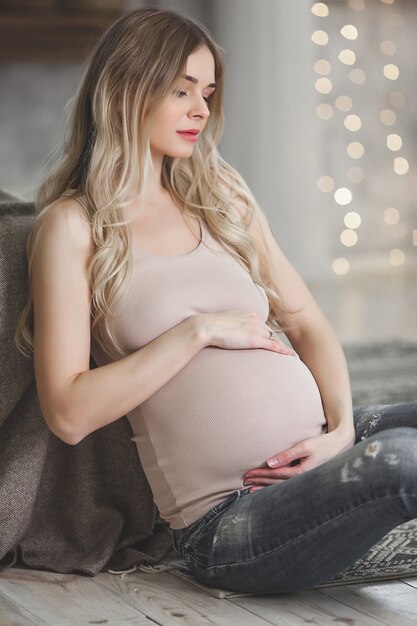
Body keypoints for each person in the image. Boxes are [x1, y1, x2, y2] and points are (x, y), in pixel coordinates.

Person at [15, 8, 417, 594]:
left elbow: (307, 325)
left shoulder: (220, 196)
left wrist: (339, 433)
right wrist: (195, 332)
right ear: (127, 90)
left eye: (206, 92)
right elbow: (69, 412)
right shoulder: (74, 226)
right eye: (181, 91)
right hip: (235, 523)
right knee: (403, 460)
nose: (201, 110)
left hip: (321, 456)